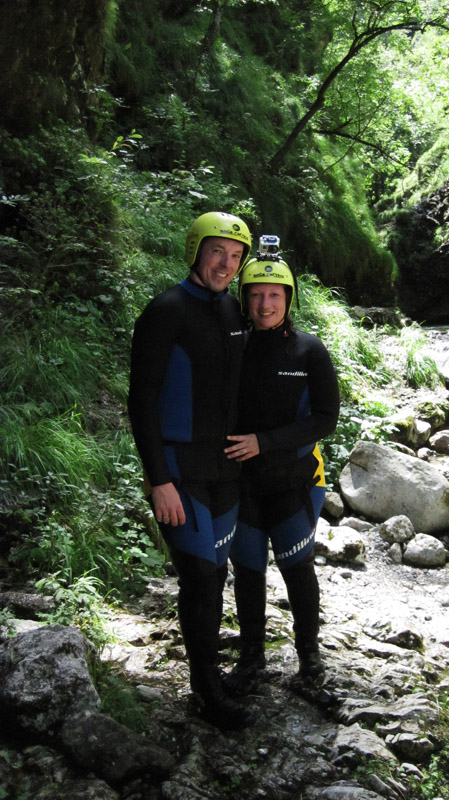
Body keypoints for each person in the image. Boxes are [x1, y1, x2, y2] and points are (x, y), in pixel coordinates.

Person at [127, 211, 255, 730]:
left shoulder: (232, 310)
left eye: (235, 256)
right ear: (195, 250)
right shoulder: (166, 311)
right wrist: (158, 479)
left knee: (214, 576)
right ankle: (205, 691)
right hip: (180, 470)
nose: (226, 264)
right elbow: (141, 400)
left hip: (225, 469)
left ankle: (209, 672)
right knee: (200, 577)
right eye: (216, 251)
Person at [224, 245, 340, 689]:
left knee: (298, 569)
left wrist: (264, 443)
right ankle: (252, 655)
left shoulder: (310, 352)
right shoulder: (234, 349)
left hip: (294, 483)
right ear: (244, 298)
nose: (265, 305)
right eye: (256, 295)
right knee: (249, 572)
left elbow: (325, 419)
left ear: (289, 299)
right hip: (243, 486)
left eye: (275, 295)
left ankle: (309, 655)